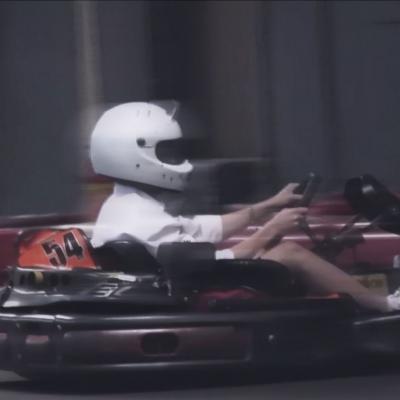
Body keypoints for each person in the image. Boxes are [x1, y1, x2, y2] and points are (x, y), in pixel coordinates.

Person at [90, 101, 400, 312]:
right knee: (288, 253)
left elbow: (202, 229)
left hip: (183, 280)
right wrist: (272, 229)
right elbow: (217, 261)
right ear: (134, 155)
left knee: (284, 249)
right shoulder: (139, 217)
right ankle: (385, 306)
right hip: (192, 290)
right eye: (167, 152)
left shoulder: (127, 204)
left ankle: (345, 295)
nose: (177, 160)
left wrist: (267, 206)